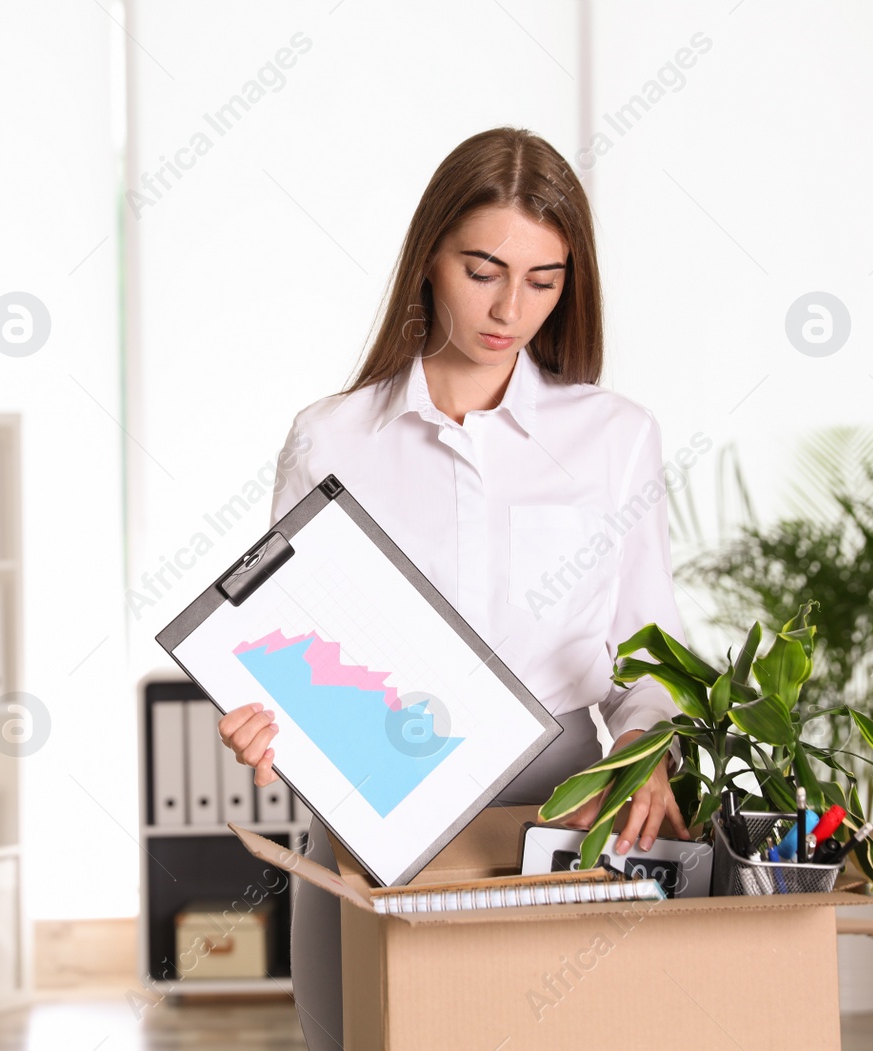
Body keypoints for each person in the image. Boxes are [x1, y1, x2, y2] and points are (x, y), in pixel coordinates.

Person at [215, 126, 691, 1051]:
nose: (511, 307)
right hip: (374, 822)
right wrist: (261, 716)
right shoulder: (332, 437)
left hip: (555, 821)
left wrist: (646, 746)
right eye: (483, 269)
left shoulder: (615, 436)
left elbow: (649, 648)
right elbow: (278, 642)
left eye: (543, 280)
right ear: (429, 256)